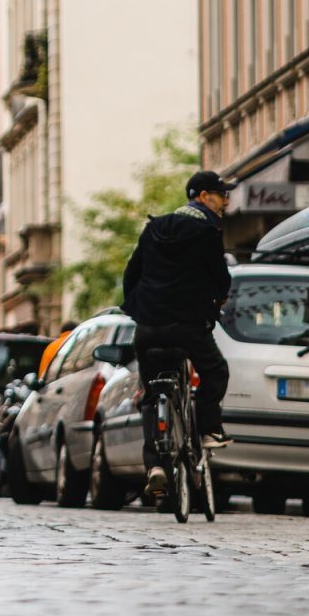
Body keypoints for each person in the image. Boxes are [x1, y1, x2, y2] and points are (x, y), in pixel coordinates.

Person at [121, 170, 235, 499]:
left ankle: (155, 465)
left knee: (149, 393)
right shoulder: (207, 230)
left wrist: (135, 309)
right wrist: (218, 299)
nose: (225, 201)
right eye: (221, 195)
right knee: (215, 371)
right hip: (188, 326)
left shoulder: (154, 227)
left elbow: (132, 272)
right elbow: (219, 276)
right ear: (203, 197)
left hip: (148, 328)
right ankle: (208, 430)